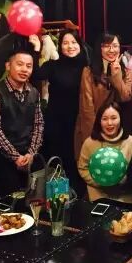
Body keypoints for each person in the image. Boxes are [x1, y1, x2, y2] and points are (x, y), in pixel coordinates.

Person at [0, 48, 44, 195]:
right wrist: (15, 157)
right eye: (20, 64)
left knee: (35, 198)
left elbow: (38, 124)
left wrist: (31, 153)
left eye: (29, 66)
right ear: (8, 66)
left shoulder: (34, 92)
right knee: (11, 202)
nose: (24, 69)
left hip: (28, 156)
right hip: (2, 158)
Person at [74, 33, 132, 161]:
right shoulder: (89, 72)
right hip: (93, 128)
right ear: (99, 48)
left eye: (115, 46)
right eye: (106, 46)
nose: (111, 50)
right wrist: (93, 138)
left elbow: (125, 97)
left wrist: (116, 76)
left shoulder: (126, 71)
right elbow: (87, 108)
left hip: (117, 128)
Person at [41, 30, 87, 180]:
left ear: (80, 45)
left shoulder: (88, 67)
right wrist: (36, 49)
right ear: (60, 46)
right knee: (58, 162)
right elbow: (35, 74)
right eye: (65, 43)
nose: (70, 46)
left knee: (78, 160)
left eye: (74, 42)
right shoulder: (52, 66)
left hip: (79, 122)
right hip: (57, 122)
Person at [78, 102, 132, 205]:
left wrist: (123, 181)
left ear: (121, 119)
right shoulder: (90, 142)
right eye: (104, 119)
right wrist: (100, 183)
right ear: (99, 121)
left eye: (114, 118)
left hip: (125, 197)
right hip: (98, 197)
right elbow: (83, 168)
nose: (109, 123)